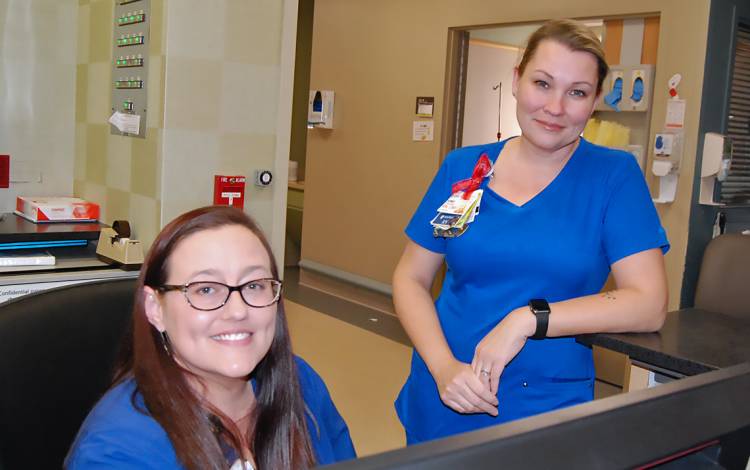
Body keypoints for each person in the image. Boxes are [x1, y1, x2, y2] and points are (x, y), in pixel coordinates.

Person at [392, 19, 669, 444]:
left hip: (543, 408)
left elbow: (648, 303)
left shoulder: (612, 178)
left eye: (576, 92)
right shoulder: (465, 169)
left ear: (595, 101)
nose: (555, 107)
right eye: (542, 83)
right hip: (447, 392)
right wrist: (443, 366)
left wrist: (527, 319)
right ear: (518, 80)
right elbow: (411, 277)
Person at [66, 206, 356, 469]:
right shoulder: (120, 450)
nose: (238, 310)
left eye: (254, 285)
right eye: (206, 289)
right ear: (155, 309)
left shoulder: (300, 384)